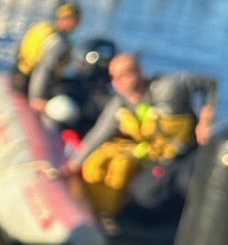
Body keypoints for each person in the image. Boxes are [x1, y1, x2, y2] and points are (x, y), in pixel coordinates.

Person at [70, 51, 218, 216]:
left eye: (125, 74)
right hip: (161, 159)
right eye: (115, 77)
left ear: (138, 72)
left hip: (190, 152)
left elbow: (209, 83)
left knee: (188, 184)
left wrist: (206, 118)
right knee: (143, 195)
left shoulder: (169, 88)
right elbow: (99, 134)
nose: (119, 82)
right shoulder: (120, 105)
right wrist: (74, 164)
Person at [11, 1, 82, 110]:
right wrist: (36, 98)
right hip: (29, 83)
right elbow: (43, 70)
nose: (78, 24)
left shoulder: (43, 28)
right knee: (76, 94)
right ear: (70, 20)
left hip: (18, 74)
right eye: (77, 20)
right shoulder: (58, 42)